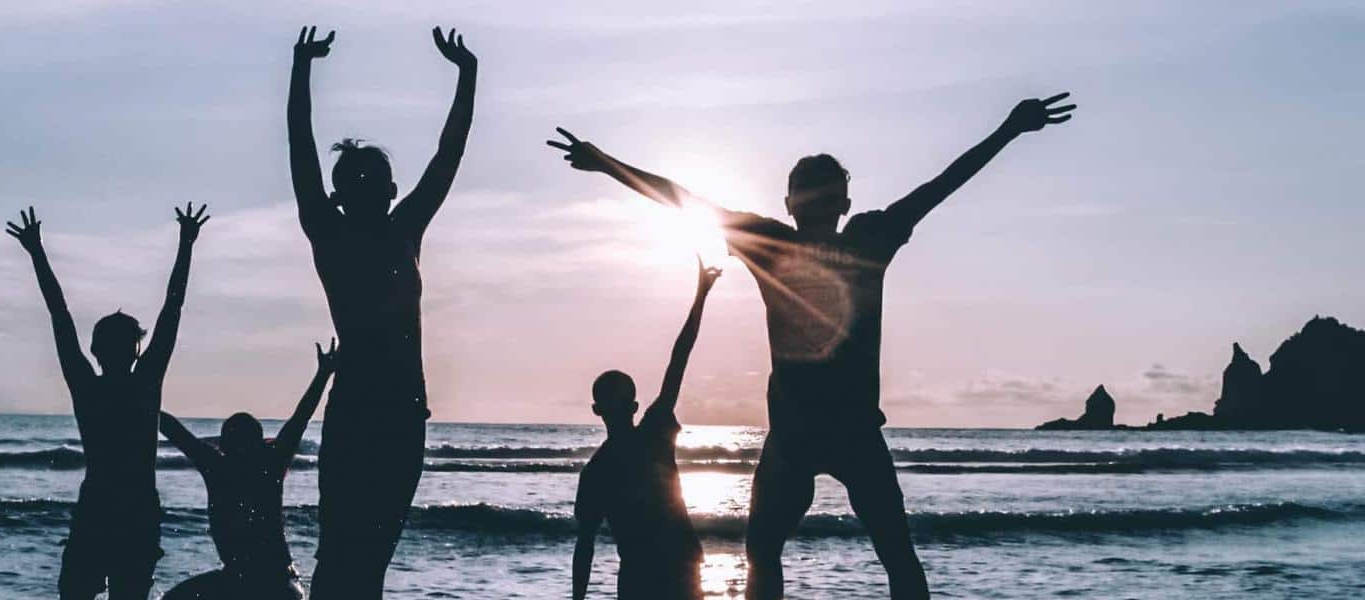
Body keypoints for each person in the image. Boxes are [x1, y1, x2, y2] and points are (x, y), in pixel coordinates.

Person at [549, 93, 1078, 600]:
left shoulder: (779, 243)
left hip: (805, 436)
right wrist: (1008, 129)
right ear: (843, 202)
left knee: (772, 553)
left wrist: (606, 164)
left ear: (791, 203)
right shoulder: (865, 238)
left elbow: (680, 196)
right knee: (891, 553)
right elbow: (940, 186)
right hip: (833, 434)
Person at [285, 25, 476, 598]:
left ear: (391, 190)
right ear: (342, 194)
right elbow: (299, 146)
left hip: (401, 411)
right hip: (360, 408)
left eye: (376, 180)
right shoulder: (329, 233)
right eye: (355, 181)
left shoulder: (404, 231)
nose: (369, 188)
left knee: (371, 557)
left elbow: (449, 154)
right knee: (341, 548)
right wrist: (301, 67)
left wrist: (468, 75)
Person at [7, 204, 210, 600]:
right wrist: (186, 244)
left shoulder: (88, 387)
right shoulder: (144, 383)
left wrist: (37, 253)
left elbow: (59, 314)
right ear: (136, 350)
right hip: (135, 508)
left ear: (96, 350)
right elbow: (173, 307)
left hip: (100, 505)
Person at [572, 261, 723, 600]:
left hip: (655, 575)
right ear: (634, 407)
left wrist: (577, 599)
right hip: (667, 571)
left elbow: (585, 547)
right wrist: (701, 295)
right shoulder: (649, 436)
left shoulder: (598, 469)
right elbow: (678, 359)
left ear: (598, 411)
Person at [157, 340, 339, 600]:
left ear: (257, 445)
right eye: (234, 443)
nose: (240, 451)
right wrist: (140, 394)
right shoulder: (219, 467)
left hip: (279, 580)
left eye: (245, 443)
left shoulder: (266, 464)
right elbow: (175, 432)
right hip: (234, 578)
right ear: (225, 446)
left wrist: (322, 375)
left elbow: (300, 419)